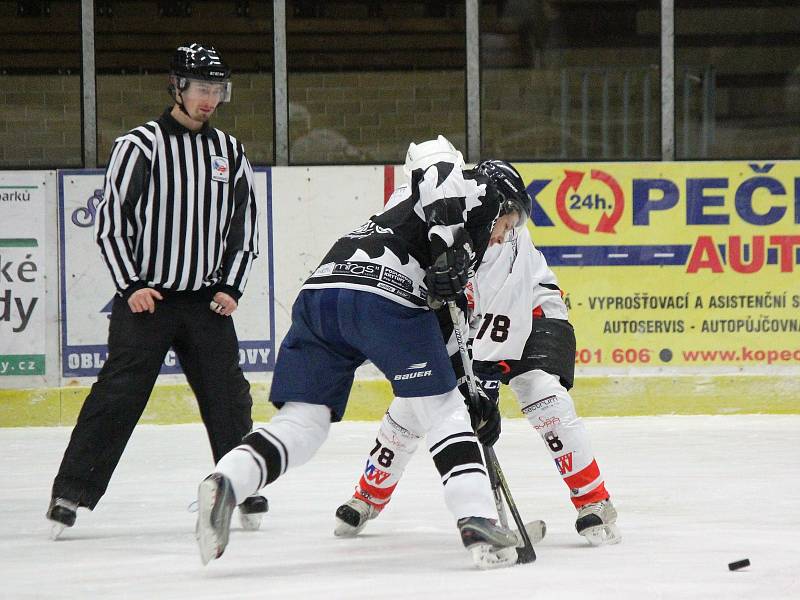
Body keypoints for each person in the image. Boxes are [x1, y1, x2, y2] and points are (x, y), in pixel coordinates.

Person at [194, 136, 531, 569]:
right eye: (512, 222)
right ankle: (478, 519)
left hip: (323, 292)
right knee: (443, 411)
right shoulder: (472, 193)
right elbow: (433, 152)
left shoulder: (445, 235)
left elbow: (445, 334)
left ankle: (229, 481)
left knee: (305, 421)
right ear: (500, 202)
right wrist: (448, 246)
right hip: (382, 294)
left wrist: (470, 391)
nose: (505, 236)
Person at [334, 160, 621, 547]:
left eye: (515, 223)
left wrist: (484, 379)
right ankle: (368, 495)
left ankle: (594, 501)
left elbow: (501, 324)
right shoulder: (443, 221)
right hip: (473, 321)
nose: (510, 234)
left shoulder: (502, 245)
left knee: (541, 392)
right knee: (417, 398)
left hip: (533, 312)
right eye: (510, 222)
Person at [46, 43, 267, 539]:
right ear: (177, 88)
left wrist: (232, 285)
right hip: (149, 302)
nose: (209, 99)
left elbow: (245, 227)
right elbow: (111, 224)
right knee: (119, 394)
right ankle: (70, 492)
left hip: (207, 301)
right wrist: (131, 284)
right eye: (200, 88)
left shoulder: (229, 151)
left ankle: (244, 485)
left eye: (217, 90)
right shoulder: (139, 146)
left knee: (228, 397)